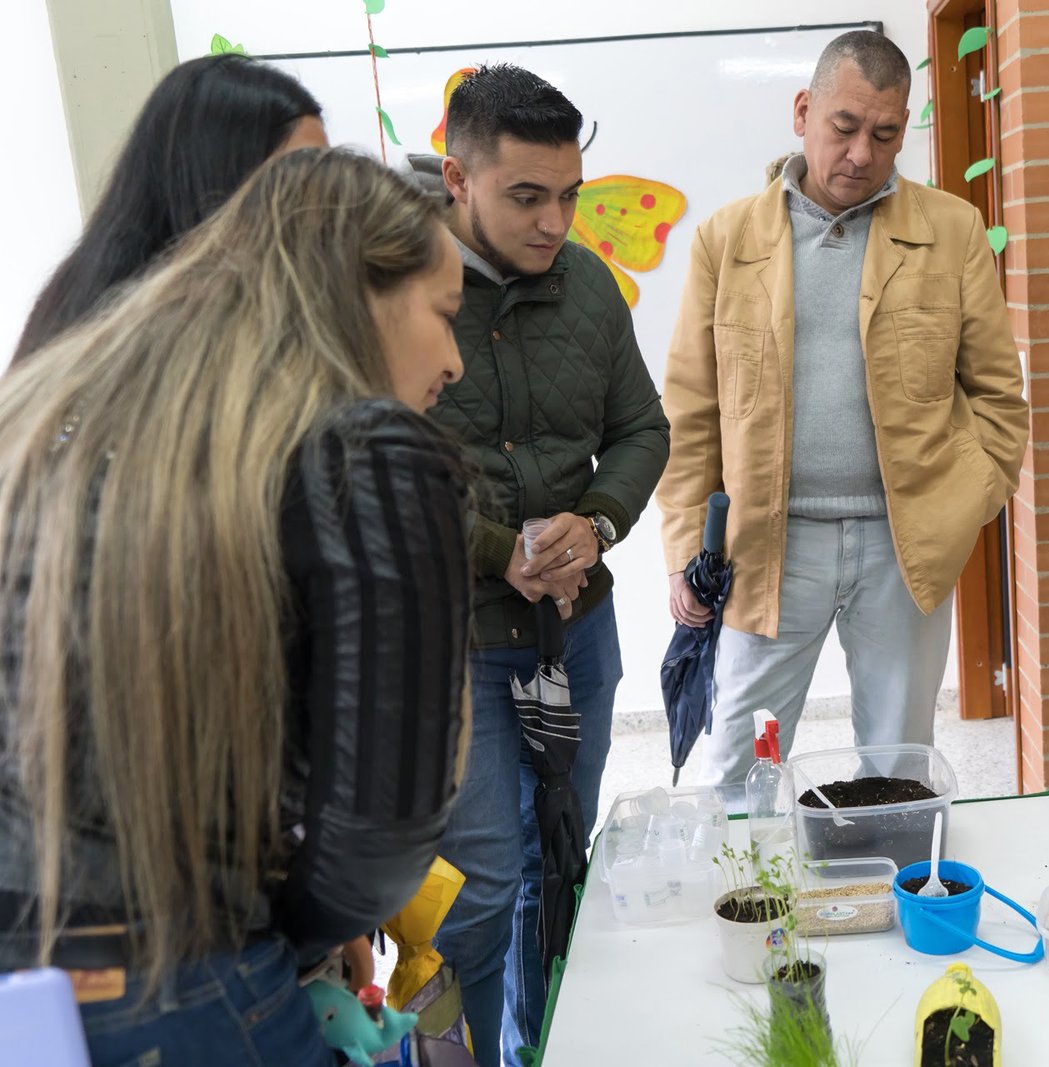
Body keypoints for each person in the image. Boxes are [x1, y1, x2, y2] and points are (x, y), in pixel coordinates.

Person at [0, 148, 471, 1066]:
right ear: (360, 293)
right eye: (446, 313)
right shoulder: (366, 450)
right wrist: (294, 936)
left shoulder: (59, 418)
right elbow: (379, 838)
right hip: (182, 979)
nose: (453, 360)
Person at [657, 29, 1028, 789]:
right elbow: (692, 412)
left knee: (899, 762)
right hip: (767, 543)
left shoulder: (951, 231)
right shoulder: (727, 240)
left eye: (885, 135)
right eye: (845, 127)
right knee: (740, 764)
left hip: (904, 543)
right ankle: (749, 870)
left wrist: (965, 504)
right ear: (804, 112)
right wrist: (686, 550)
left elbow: (997, 395)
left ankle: (890, 866)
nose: (861, 153)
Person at [408, 63, 669, 1066]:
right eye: (526, 196)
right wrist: (497, 552)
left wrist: (595, 524)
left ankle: (540, 1045)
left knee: (561, 854)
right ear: (456, 178)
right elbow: (370, 468)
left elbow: (643, 429)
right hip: (459, 645)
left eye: (569, 195)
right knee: (478, 887)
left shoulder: (589, 283)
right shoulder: (398, 292)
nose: (554, 221)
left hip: (575, 631)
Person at [14, 53, 326, 361]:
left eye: (325, 170)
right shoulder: (141, 332)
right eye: (298, 176)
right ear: (216, 184)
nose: (326, 195)